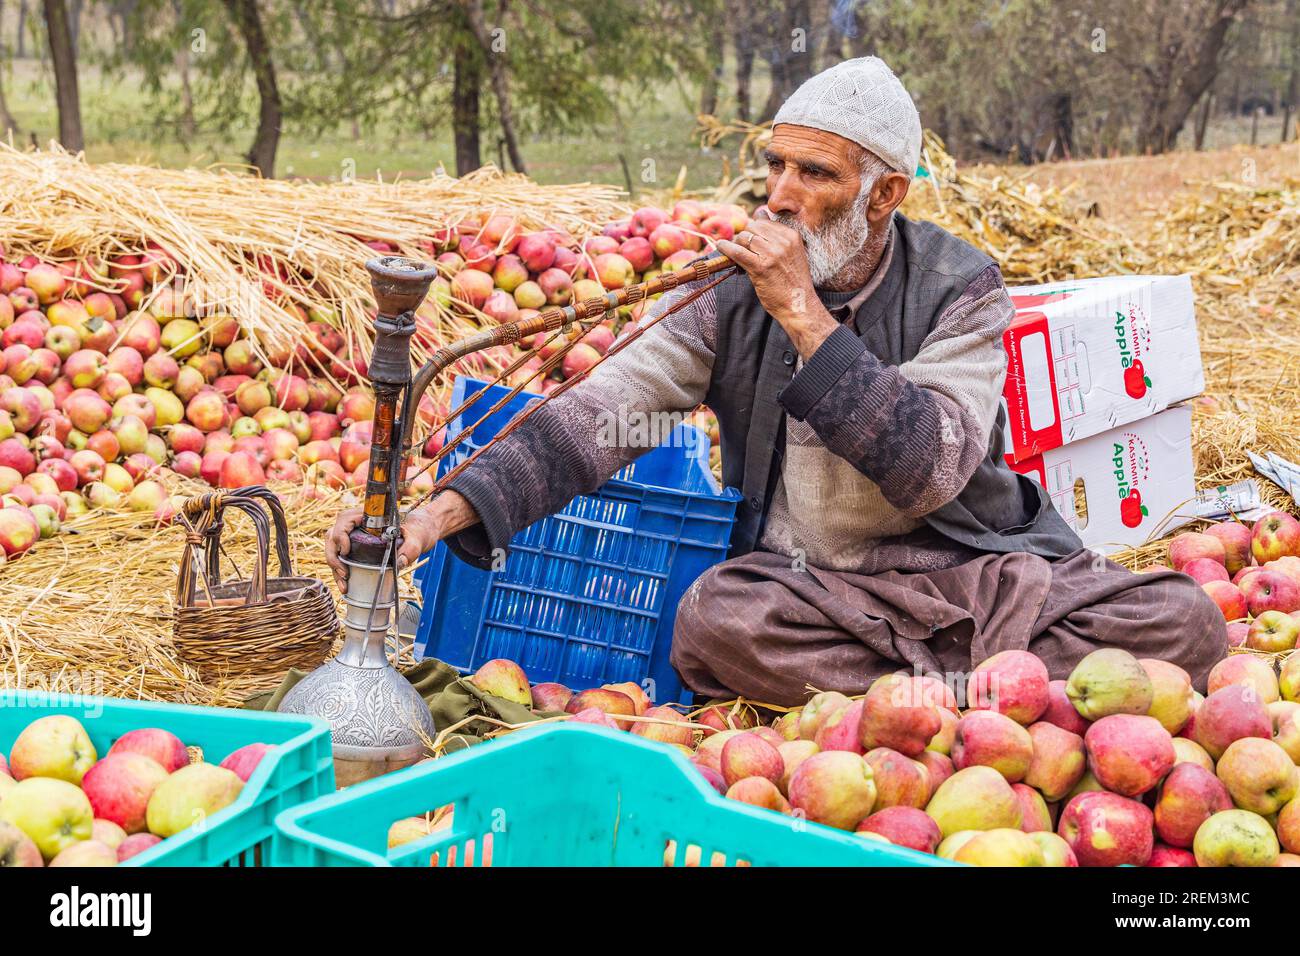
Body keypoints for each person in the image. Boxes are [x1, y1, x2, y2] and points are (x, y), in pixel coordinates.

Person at [326, 57, 1225, 706]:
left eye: (814, 173)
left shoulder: (963, 286)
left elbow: (934, 468)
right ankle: (971, 701)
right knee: (713, 623)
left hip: (975, 574)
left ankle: (923, 698)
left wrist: (805, 314)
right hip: (813, 595)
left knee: (1183, 623)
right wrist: (443, 513)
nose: (781, 196)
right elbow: (602, 416)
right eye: (774, 166)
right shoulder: (730, 294)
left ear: (884, 195)